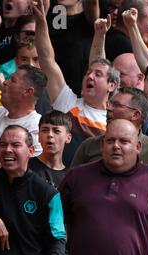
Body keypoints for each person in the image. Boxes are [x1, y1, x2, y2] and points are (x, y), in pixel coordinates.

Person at [59, 119, 148, 255]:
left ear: (138, 146)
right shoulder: (76, 177)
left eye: (124, 141)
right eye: (110, 141)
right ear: (102, 145)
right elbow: (59, 225)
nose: (116, 146)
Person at [34, 0, 120, 166]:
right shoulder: (67, 102)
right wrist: (41, 22)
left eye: (97, 75)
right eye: (88, 73)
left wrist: (100, 35)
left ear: (112, 85)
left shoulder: (114, 122)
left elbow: (98, 62)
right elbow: (47, 60)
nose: (90, 76)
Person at [0, 125, 66, 255]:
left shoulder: (47, 193)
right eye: (3, 145)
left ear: (30, 151)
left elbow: (58, 237)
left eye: (15, 145)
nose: (7, 150)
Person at [71, 86, 148, 182]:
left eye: (116, 105)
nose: (109, 108)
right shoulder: (89, 146)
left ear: (135, 114)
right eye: (110, 104)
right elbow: (71, 184)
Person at [0, 64, 45, 173]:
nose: (5, 82)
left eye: (12, 80)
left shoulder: (38, 128)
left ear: (28, 91)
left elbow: (20, 172)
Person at [28, 110, 72, 189]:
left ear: (68, 138)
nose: (50, 135)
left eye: (56, 131)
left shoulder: (70, 177)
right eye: (45, 130)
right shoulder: (25, 167)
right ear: (38, 137)